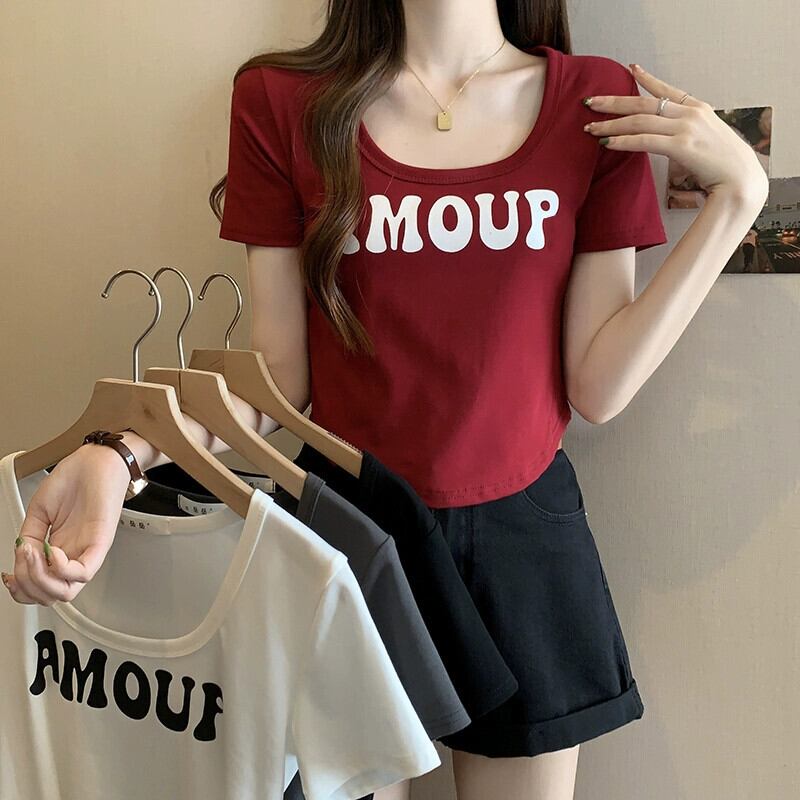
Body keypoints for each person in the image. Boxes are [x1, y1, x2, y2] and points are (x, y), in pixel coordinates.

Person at [2, 2, 769, 799]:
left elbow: (599, 386)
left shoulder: (593, 102)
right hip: (344, 532)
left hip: (521, 542)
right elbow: (277, 380)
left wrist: (737, 200)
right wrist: (120, 455)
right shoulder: (282, 103)